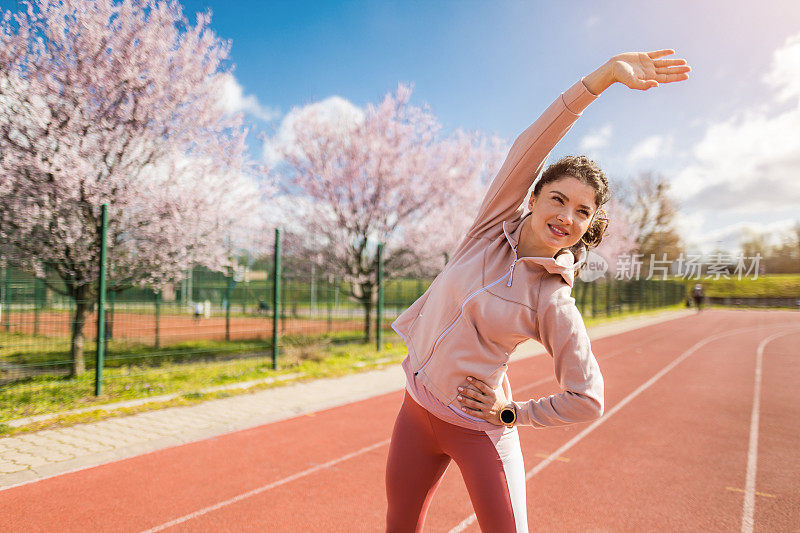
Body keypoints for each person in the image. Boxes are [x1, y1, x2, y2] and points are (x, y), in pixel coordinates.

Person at [385, 49, 690, 533]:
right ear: (533, 197)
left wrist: (513, 412)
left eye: (583, 212)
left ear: (589, 225)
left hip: (476, 430)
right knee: (399, 524)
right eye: (559, 199)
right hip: (414, 408)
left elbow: (588, 397)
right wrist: (604, 77)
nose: (567, 217)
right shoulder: (489, 225)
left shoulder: (553, 299)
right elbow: (537, 139)